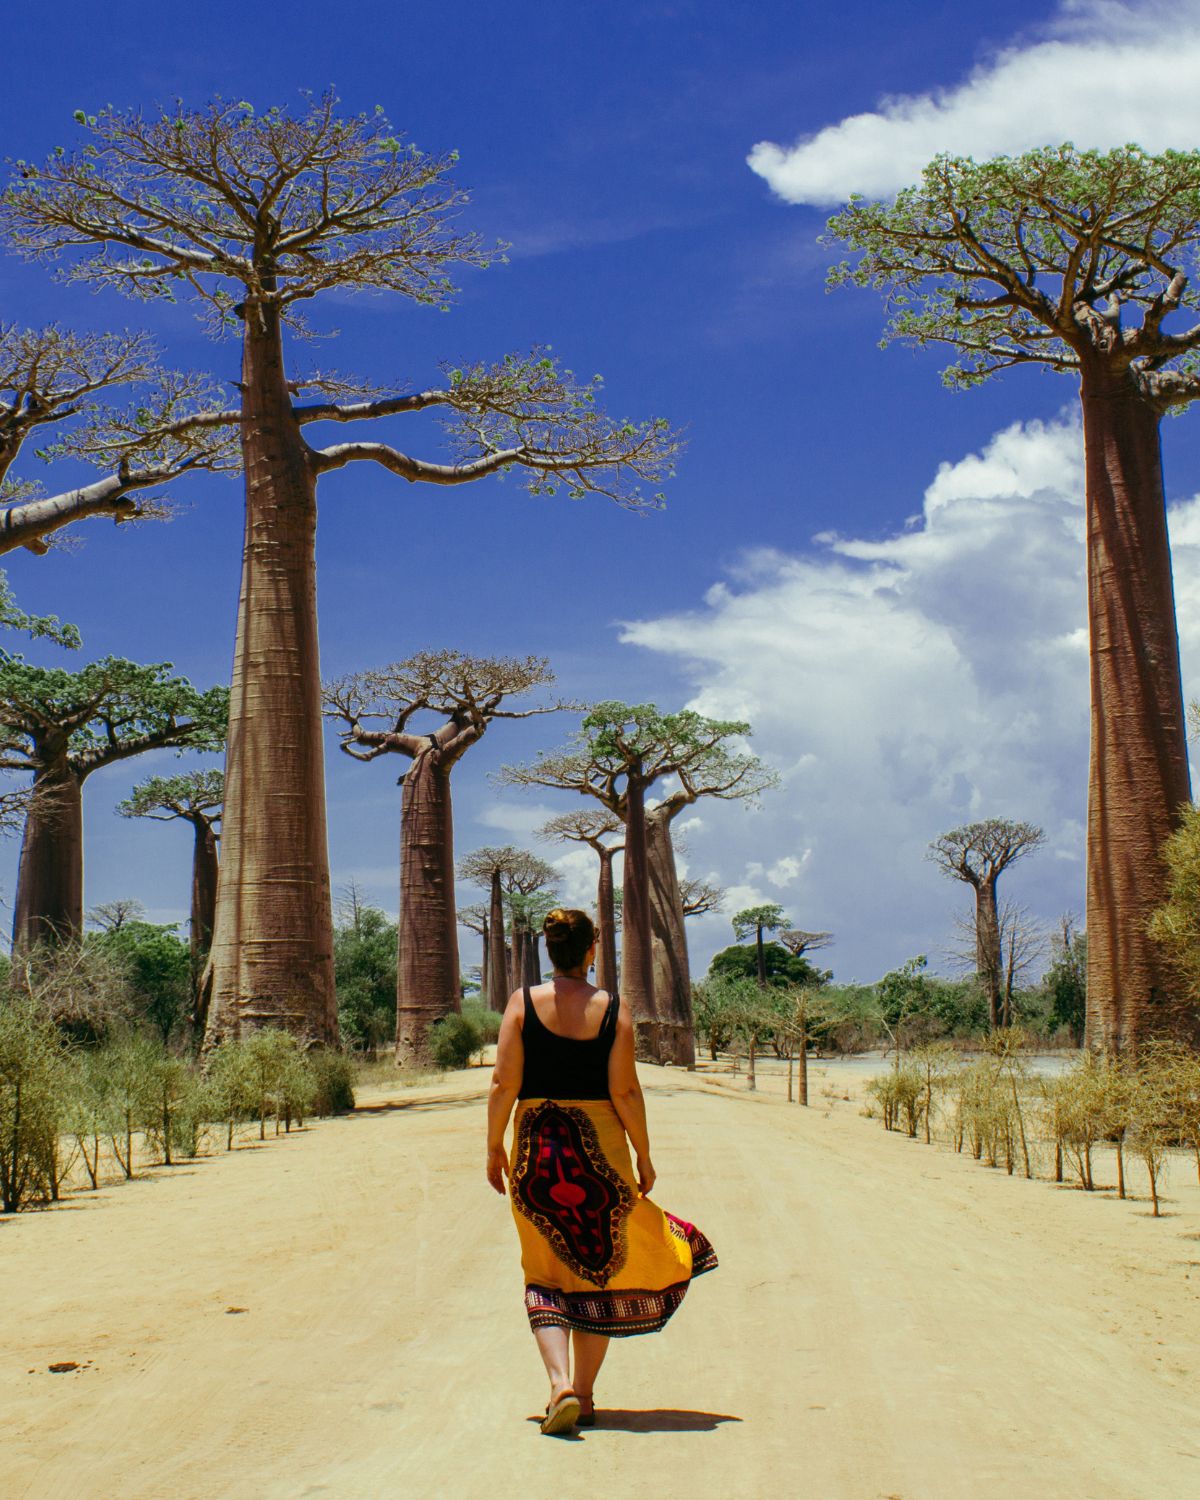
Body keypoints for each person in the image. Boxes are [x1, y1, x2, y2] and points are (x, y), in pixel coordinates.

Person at [486, 906, 717, 1435]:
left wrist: (494, 1147)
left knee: (544, 1272)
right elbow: (625, 1090)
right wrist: (643, 1152)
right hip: (601, 1157)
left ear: (550, 951)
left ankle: (559, 1384)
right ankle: (584, 1396)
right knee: (599, 1270)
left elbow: (503, 1084)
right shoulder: (615, 1009)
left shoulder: (522, 1004)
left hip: (536, 1150)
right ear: (592, 951)